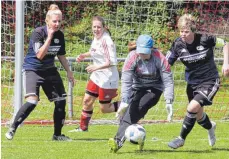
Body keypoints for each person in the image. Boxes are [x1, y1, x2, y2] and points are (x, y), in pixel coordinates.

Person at [5, 4, 74, 141]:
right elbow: (40, 55)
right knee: (32, 101)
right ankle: (13, 127)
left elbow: (61, 56)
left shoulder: (60, 35)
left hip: (49, 70)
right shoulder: (38, 32)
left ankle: (57, 135)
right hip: (33, 69)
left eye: (59, 21)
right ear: (47, 21)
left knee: (61, 101)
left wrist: (69, 72)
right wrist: (49, 37)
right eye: (54, 21)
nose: (57, 23)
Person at [166, 14, 229, 149]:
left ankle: (181, 138)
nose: (183, 34)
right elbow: (166, 63)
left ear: (193, 30)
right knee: (198, 116)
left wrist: (226, 63)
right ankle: (210, 126)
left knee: (191, 108)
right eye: (181, 31)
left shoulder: (205, 39)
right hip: (192, 83)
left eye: (186, 31)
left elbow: (225, 44)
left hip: (210, 80)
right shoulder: (177, 44)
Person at [108, 34, 174, 153]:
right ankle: (139, 139)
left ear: (151, 49)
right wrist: (124, 100)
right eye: (140, 52)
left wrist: (169, 101)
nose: (142, 55)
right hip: (137, 88)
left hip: (154, 90)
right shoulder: (132, 57)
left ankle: (117, 142)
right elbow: (126, 80)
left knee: (134, 111)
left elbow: (168, 80)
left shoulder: (160, 58)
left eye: (145, 52)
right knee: (127, 114)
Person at [68, 16, 120, 132]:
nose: (96, 29)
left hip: (108, 78)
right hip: (97, 76)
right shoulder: (96, 38)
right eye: (94, 27)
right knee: (87, 100)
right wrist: (83, 55)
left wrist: (96, 67)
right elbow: (94, 51)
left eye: (99, 27)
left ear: (104, 28)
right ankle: (83, 128)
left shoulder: (107, 41)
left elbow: (111, 62)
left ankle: (127, 105)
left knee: (104, 109)